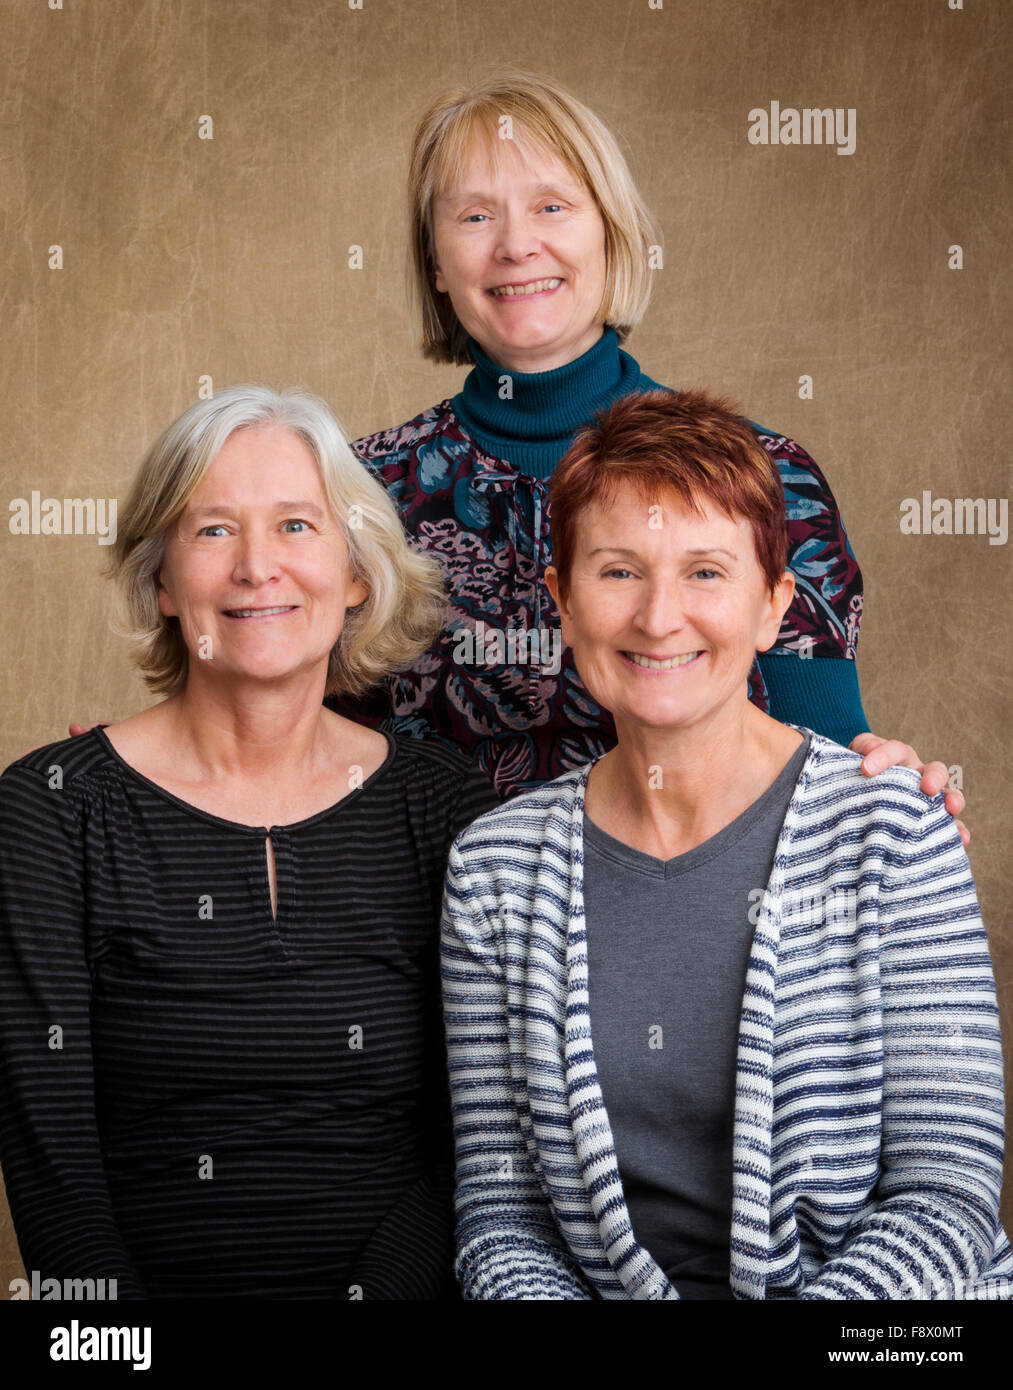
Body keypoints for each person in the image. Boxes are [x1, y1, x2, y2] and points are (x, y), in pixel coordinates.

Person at [440, 386, 1012, 1300]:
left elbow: (944, 1197)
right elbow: (501, 1224)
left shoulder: (891, 828)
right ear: (562, 600)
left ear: (772, 605)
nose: (659, 617)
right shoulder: (494, 870)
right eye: (618, 570)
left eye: (705, 572)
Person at [317, 69, 968, 843]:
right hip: (427, 931)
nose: (516, 244)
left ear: (609, 232)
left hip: (697, 920)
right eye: (474, 216)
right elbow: (306, 752)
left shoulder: (763, 473)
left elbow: (822, 748)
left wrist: (887, 799)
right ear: (433, 262)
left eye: (551, 207)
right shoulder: (357, 491)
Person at [0, 385, 498, 1299]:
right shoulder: (49, 809)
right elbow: (48, 1165)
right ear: (160, 580)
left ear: (356, 574)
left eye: (297, 527)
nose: (256, 567)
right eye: (213, 530)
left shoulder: (444, 810)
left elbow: (466, 1144)